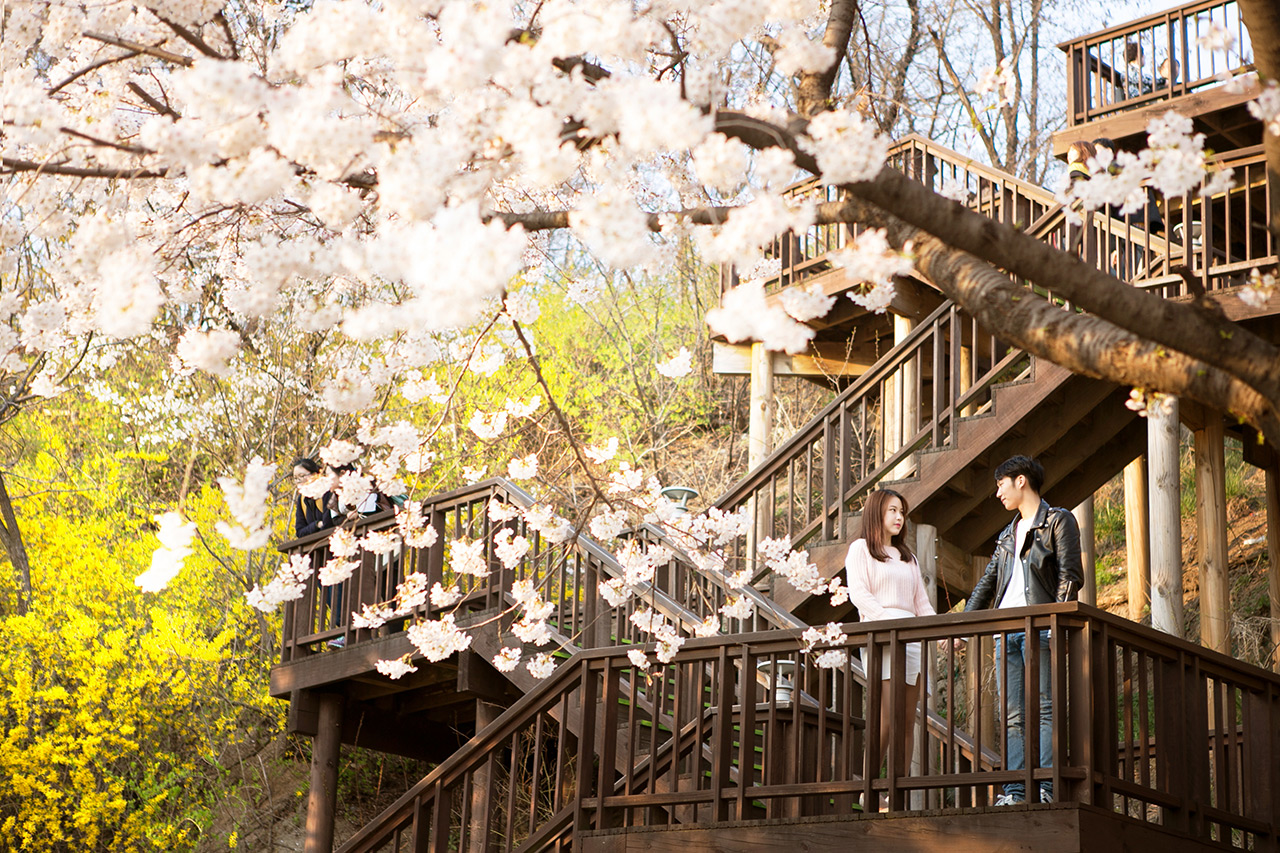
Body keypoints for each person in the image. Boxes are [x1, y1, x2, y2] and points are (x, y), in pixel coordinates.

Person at [953, 456, 1083, 806]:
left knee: (1044, 709)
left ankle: (1045, 786)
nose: (998, 493)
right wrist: (963, 626)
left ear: (1021, 480)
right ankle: (1015, 790)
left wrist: (1055, 624)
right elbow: (988, 581)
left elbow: (1071, 575)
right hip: (1005, 632)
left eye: (1000, 484)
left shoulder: (1058, 521)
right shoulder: (1008, 534)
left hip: (1040, 627)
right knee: (1011, 716)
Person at [846, 488, 937, 788]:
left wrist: (946, 633)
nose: (899, 517)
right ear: (877, 513)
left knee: (906, 721)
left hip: (910, 640)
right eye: (892, 511)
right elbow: (860, 594)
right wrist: (888, 621)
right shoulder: (861, 550)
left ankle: (899, 790)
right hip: (881, 638)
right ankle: (869, 788)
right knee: (886, 718)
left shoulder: (908, 558)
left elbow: (921, 604)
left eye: (902, 512)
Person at [291, 457, 334, 538]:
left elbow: (327, 524)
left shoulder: (326, 491)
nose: (298, 480)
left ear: (314, 475)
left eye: (302, 476)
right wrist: (317, 525)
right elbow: (299, 532)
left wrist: (312, 528)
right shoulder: (302, 499)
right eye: (295, 478)